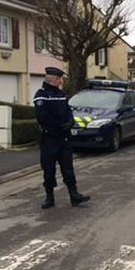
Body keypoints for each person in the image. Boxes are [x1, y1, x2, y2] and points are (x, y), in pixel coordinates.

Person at [34, 67, 90, 209]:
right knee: (48, 169)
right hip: (49, 139)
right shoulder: (41, 95)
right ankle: (49, 197)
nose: (61, 81)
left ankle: (74, 195)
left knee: (68, 168)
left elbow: (68, 110)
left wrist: (71, 121)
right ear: (53, 80)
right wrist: (60, 125)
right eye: (59, 79)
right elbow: (43, 117)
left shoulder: (61, 94)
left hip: (64, 139)